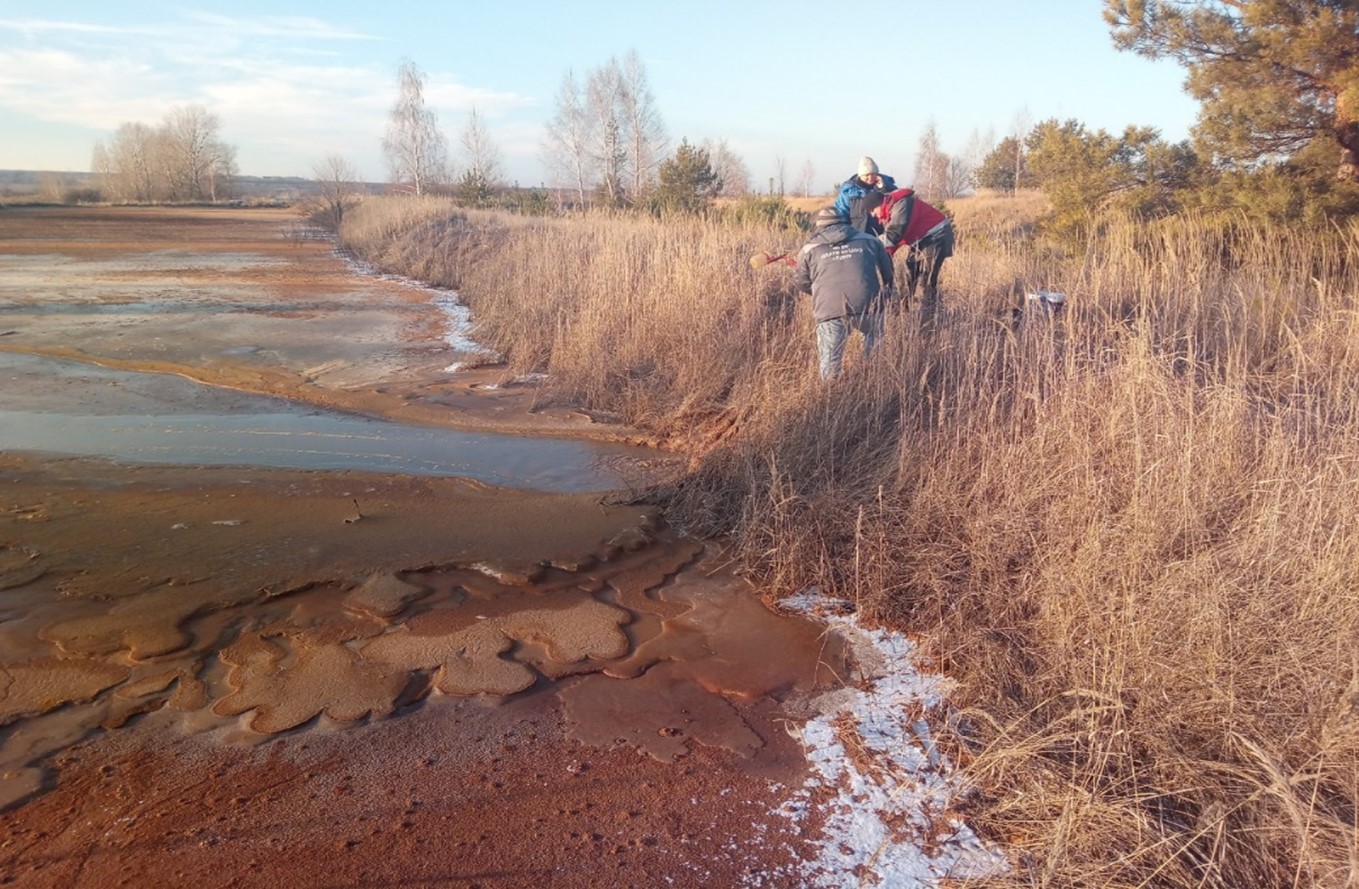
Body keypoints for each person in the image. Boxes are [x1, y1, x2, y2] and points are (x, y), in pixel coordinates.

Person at [794, 206, 896, 380]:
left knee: (830, 364)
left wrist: (822, 293)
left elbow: (801, 282)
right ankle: (871, 382)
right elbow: (888, 274)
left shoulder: (809, 248)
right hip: (869, 303)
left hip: (830, 309)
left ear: (819, 227)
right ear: (846, 223)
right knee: (874, 344)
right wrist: (886, 297)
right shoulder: (870, 240)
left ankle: (831, 396)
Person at [874, 187, 955, 325]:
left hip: (937, 236)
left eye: (872, 210)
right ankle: (904, 309)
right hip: (922, 239)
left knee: (927, 278)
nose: (872, 215)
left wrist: (871, 243)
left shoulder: (901, 206)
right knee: (910, 272)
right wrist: (886, 254)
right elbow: (894, 240)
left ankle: (931, 316)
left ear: (879, 205)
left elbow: (895, 234)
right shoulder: (891, 209)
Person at [834, 156, 896, 235]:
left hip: (882, 235)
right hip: (856, 235)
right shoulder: (849, 191)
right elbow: (840, 213)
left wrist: (883, 189)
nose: (870, 178)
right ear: (860, 175)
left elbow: (895, 204)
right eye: (867, 175)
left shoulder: (888, 186)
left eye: (873, 174)